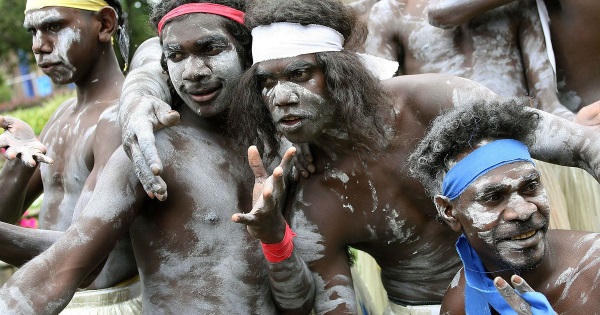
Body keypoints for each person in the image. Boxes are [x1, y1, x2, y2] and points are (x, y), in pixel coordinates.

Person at [226, 0, 600, 313]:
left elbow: (582, 145)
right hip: (422, 307)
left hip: (545, 283)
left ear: (341, 73)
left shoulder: (434, 100)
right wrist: (273, 236)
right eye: (266, 82)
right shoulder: (312, 195)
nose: (281, 96)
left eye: (300, 74)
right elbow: (317, 305)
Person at [0, 0, 314, 313]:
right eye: (176, 56)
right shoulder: (149, 153)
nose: (193, 73)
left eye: (210, 50)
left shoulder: (287, 148)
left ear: (246, 49)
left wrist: (275, 238)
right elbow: (62, 267)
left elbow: (300, 303)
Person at [0, 0, 141, 312]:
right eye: (33, 32)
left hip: (103, 304)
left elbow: (85, 255)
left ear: (105, 25)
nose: (39, 45)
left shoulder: (120, 119)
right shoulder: (63, 115)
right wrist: (17, 166)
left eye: (53, 27)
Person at [408, 98, 600, 314]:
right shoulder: (459, 305)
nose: (524, 211)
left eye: (530, 187)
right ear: (450, 212)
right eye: (493, 197)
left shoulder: (595, 268)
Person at [425, 0, 600, 234]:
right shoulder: (392, 13)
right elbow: (439, 13)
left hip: (523, 148)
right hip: (452, 165)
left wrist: (574, 126)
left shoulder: (519, 8)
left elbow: (545, 99)